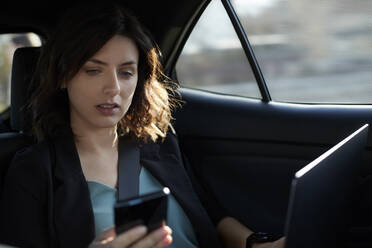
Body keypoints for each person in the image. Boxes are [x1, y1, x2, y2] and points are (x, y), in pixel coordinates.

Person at [0, 2, 285, 248]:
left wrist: (258, 244)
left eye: (126, 72)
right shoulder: (35, 171)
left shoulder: (159, 143)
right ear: (63, 77)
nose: (113, 88)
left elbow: (211, 215)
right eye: (93, 70)